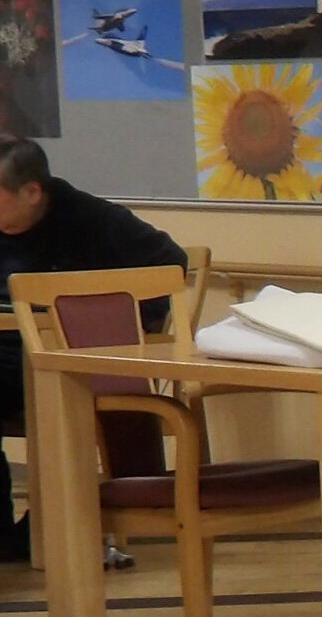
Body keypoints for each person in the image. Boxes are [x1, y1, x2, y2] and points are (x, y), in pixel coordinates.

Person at [0, 137, 189, 561]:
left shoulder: (94, 220)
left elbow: (169, 264)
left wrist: (104, 315)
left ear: (32, 192)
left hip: (72, 357)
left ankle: (50, 526)